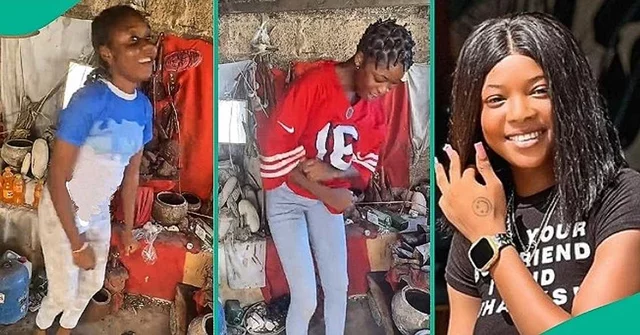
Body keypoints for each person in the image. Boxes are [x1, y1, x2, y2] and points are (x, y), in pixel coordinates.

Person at [436, 12, 640, 335]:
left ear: (571, 96)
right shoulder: (477, 217)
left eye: (539, 91)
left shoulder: (621, 197)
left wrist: (492, 242)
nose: (520, 113)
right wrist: (481, 227)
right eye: (496, 99)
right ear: (475, 113)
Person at [257, 19, 415, 335]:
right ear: (359, 59)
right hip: (288, 200)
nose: (383, 90)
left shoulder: (375, 108)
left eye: (392, 85)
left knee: (338, 286)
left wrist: (335, 172)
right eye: (379, 78)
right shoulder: (312, 87)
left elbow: (366, 165)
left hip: (325, 203)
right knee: (304, 298)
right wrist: (326, 191)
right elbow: (273, 155)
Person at [34, 5, 156, 334]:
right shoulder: (88, 101)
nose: (149, 47)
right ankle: (43, 326)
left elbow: (132, 174)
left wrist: (128, 229)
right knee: (62, 292)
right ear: (107, 53)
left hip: (97, 209)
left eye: (147, 38)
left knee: (91, 284)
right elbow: (56, 178)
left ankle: (65, 328)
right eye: (133, 40)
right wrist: (77, 243)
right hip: (63, 208)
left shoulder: (143, 108)